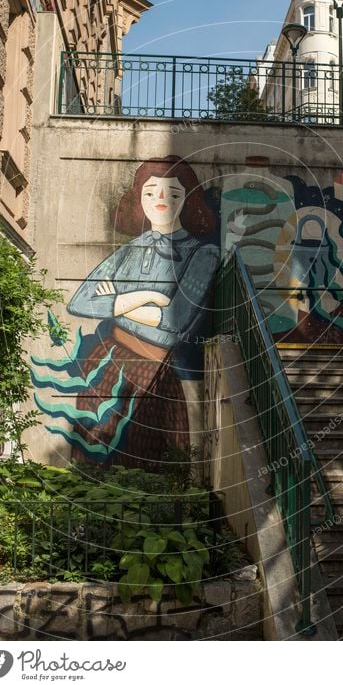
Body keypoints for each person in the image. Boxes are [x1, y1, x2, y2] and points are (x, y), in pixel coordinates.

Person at [65, 155, 219, 468]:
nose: (160, 201)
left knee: (148, 460)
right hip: (105, 362)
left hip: (154, 371)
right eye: (150, 192)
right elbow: (79, 301)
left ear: (187, 200)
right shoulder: (132, 248)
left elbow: (174, 324)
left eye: (172, 193)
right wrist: (143, 296)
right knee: (89, 453)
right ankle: (89, 518)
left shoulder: (203, 253)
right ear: (139, 199)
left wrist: (116, 302)